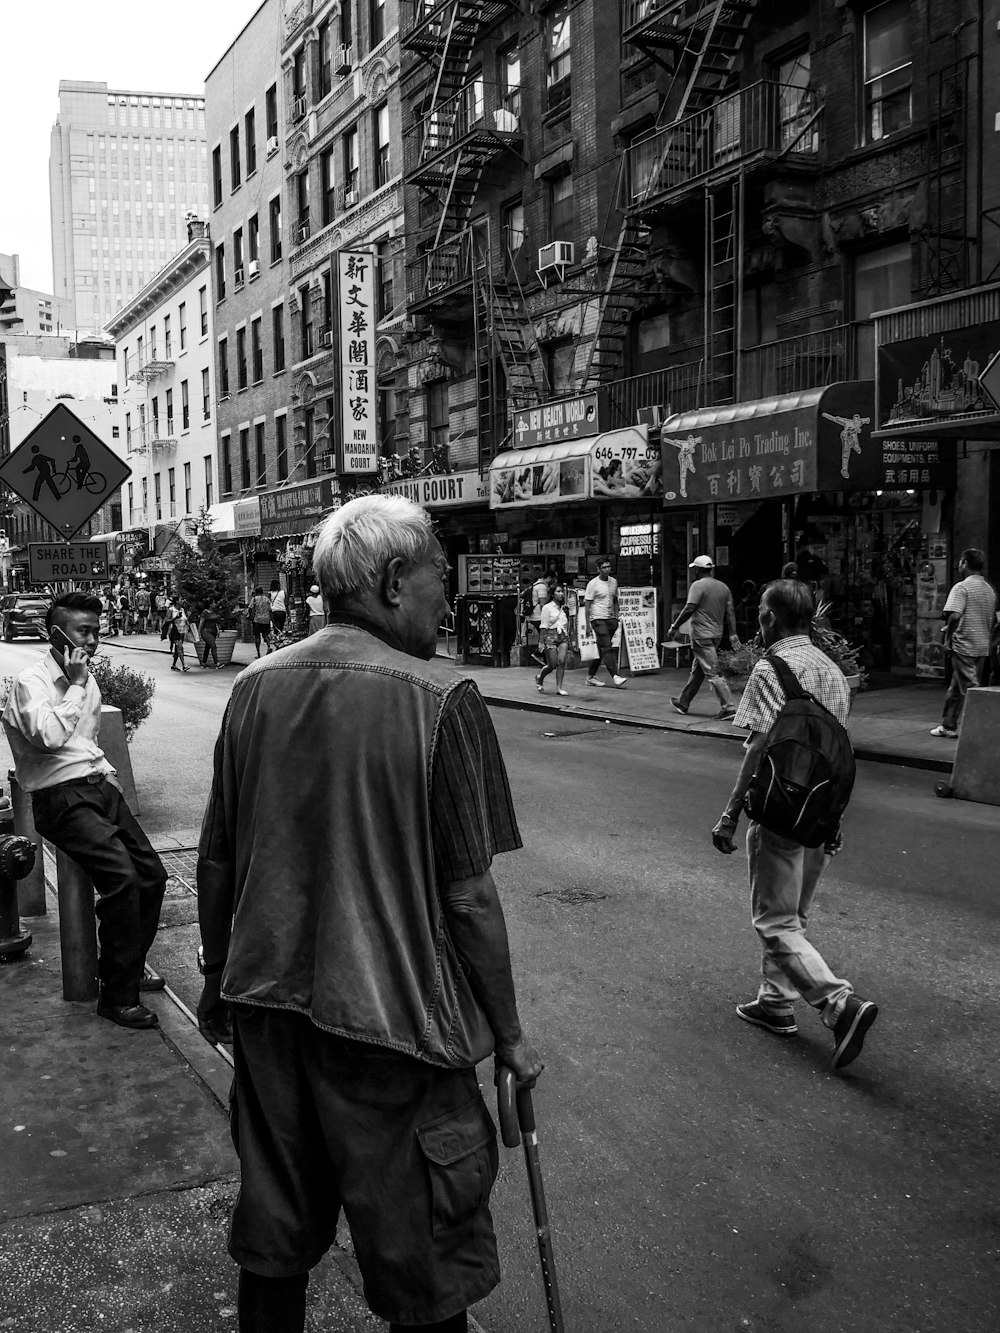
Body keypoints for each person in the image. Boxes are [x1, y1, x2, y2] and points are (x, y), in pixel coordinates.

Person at [195, 494, 542, 1333]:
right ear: (393, 581)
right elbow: (468, 894)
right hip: (394, 1024)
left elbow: (218, 860)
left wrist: (217, 982)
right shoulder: (442, 699)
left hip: (269, 1011)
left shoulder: (254, 687)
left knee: (274, 1243)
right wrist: (509, 1033)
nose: (446, 601)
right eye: (436, 581)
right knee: (423, 1269)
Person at [711, 578, 878, 1072]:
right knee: (792, 917)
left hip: (782, 809)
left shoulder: (772, 668)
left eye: (761, 610)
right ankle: (774, 1003)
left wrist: (730, 813)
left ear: (769, 617)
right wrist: (835, 819)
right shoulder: (830, 668)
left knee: (774, 918)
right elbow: (839, 746)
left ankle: (837, 1004)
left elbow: (758, 748)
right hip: (822, 812)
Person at [1, 591, 167, 1030]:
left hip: (97, 788)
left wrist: (107, 774)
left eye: (96, 631)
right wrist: (74, 684)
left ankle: (124, 966)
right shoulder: (31, 683)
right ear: (53, 633)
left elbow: (85, 742)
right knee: (122, 879)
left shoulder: (86, 680)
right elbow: (50, 739)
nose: (92, 641)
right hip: (60, 797)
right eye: (83, 631)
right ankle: (117, 997)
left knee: (153, 875)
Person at [930, 548, 998, 739]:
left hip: (964, 644)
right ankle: (948, 724)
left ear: (965, 564)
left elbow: (955, 615)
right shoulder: (988, 589)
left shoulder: (961, 587)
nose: (959, 565)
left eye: (960, 562)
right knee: (956, 688)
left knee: (971, 689)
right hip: (982, 644)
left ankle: (983, 729)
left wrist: (948, 637)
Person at [668, 556, 739, 720]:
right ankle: (683, 702)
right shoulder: (723, 587)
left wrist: (675, 626)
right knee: (698, 670)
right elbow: (730, 612)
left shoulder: (697, 586)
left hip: (701, 635)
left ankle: (728, 707)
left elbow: (689, 608)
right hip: (716, 635)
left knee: (714, 672)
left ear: (698, 570)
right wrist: (733, 633)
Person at [584, 557, 626, 688]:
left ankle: (590, 676)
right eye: (604, 567)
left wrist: (616, 616)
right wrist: (587, 625)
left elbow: (615, 600)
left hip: (611, 619)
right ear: (598, 569)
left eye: (608, 567)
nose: (607, 569)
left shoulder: (613, 582)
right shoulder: (593, 584)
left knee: (602, 648)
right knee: (607, 647)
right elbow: (587, 605)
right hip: (597, 618)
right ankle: (615, 676)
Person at [535, 587, 569, 696]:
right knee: (552, 664)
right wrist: (541, 641)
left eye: (561, 592)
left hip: (562, 636)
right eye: (558, 592)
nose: (561, 594)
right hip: (550, 636)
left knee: (562, 662)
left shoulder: (564, 608)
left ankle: (559, 687)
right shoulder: (547, 607)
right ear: (552, 594)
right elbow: (544, 625)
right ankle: (540, 678)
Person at [169, 600, 192, 672]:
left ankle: (174, 665)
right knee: (180, 647)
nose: (183, 601)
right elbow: (167, 620)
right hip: (174, 631)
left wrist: (188, 618)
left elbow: (184, 620)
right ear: (177, 602)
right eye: (181, 600)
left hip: (182, 632)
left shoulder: (182, 610)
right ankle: (184, 665)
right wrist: (175, 618)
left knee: (177, 649)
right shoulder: (171, 610)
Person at [249, 586, 272, 657]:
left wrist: (251, 615)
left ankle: (258, 653)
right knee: (265, 634)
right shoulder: (267, 599)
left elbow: (250, 608)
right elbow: (270, 610)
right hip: (266, 620)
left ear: (256, 592)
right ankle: (269, 646)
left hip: (257, 620)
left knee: (257, 636)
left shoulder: (254, 599)